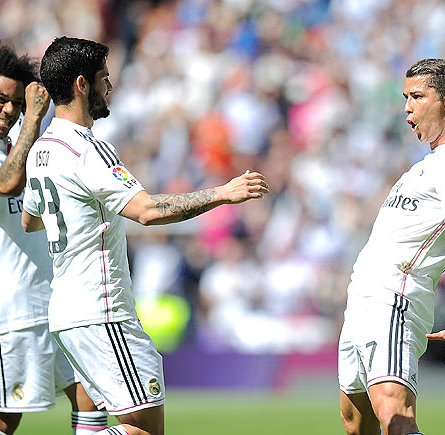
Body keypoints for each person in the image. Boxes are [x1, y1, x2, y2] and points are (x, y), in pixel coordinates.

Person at [21, 36, 269, 435]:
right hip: (101, 308)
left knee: (96, 418)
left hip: (65, 311)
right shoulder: (89, 149)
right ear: (82, 84)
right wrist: (223, 193)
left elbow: (30, 221)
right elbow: (148, 211)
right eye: (104, 78)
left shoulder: (40, 150)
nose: (110, 87)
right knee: (144, 428)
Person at [0, 42, 106, 435]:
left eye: (17, 102)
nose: (10, 110)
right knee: (5, 417)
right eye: (1, 99)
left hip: (55, 299)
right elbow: (7, 183)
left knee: (92, 395)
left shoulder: (18, 145)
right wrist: (34, 119)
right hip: (8, 305)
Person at [337, 58, 445, 435]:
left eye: (418, 96)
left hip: (395, 299)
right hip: (362, 299)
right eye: (406, 97)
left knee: (396, 417)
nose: (407, 107)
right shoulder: (428, 163)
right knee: (355, 424)